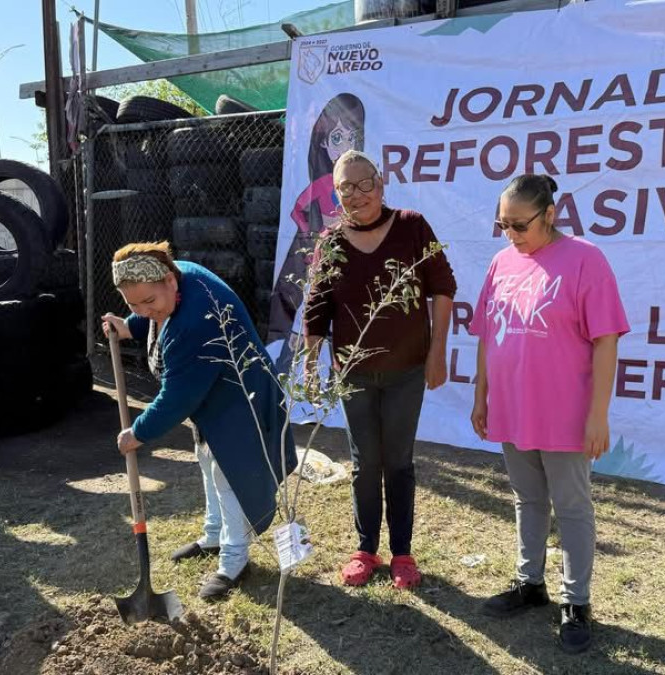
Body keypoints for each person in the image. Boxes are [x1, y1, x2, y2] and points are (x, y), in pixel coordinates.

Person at [469, 174, 629, 653]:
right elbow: (486, 334)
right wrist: (482, 395)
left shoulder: (586, 260)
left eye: (520, 225)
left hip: (565, 412)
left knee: (572, 506)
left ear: (551, 214)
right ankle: (529, 583)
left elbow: (606, 340)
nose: (511, 235)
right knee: (526, 498)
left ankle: (576, 602)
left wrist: (598, 414)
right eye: (503, 225)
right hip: (514, 408)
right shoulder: (501, 262)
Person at [102, 242, 297, 600]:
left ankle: (234, 561)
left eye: (149, 302)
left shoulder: (194, 322)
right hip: (214, 398)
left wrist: (138, 433)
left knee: (229, 476)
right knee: (207, 464)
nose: (144, 310)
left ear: (170, 281)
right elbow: (151, 315)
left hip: (240, 401)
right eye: (133, 303)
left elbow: (177, 398)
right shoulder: (179, 275)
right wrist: (129, 324)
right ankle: (213, 535)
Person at [304, 150, 457, 589]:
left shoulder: (411, 226)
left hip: (407, 370)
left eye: (364, 183)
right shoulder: (330, 242)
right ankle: (366, 548)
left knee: (398, 462)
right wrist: (312, 369)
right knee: (364, 462)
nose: (357, 194)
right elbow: (316, 310)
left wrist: (437, 351)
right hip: (352, 374)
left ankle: (402, 553)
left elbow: (442, 288)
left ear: (382, 181)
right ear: (336, 195)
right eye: (345, 187)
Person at [268, 93, 366, 348]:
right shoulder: (322, 187)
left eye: (351, 137)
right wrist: (314, 236)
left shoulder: (362, 184)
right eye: (337, 137)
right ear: (322, 142)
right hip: (320, 258)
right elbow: (300, 212)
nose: (345, 145)